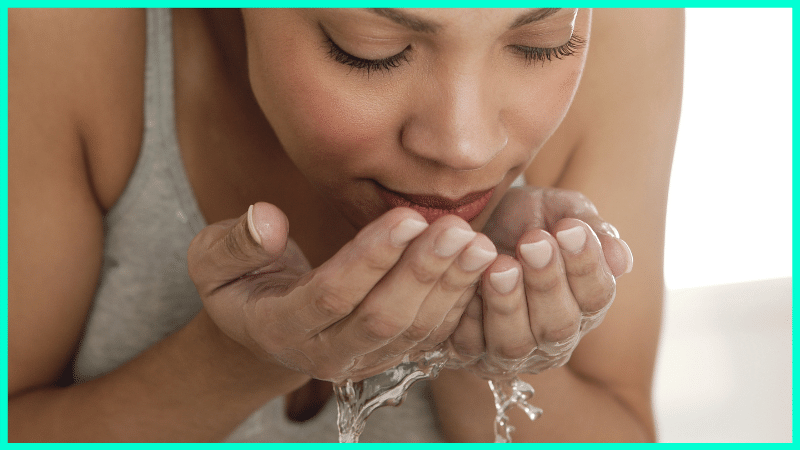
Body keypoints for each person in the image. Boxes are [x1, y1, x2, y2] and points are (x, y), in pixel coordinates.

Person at [8, 8, 683, 442]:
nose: (465, 145)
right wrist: (239, 359)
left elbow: (618, 426)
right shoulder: (67, 28)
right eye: (371, 48)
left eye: (540, 43)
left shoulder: (628, 24)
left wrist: (474, 329)